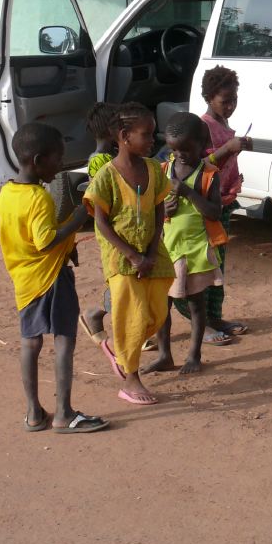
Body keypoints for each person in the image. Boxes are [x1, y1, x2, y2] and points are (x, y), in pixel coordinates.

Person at [0, 122, 109, 434]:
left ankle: (34, 412)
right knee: (64, 340)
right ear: (37, 160)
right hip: (52, 279)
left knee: (29, 343)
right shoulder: (38, 198)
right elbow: (45, 240)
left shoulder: (7, 193)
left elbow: (27, 238)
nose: (60, 164)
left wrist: (67, 247)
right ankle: (64, 413)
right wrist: (79, 217)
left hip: (25, 280)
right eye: (57, 158)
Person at [83, 102, 174, 406]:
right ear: (123, 135)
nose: (153, 140)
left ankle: (117, 349)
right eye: (146, 135)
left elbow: (159, 209)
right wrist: (133, 256)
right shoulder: (106, 176)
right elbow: (101, 222)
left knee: (158, 312)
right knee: (132, 317)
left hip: (152, 252)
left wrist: (149, 251)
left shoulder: (152, 169)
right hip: (121, 259)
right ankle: (130, 377)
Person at [146, 112, 228, 375]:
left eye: (186, 149)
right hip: (167, 250)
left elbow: (214, 212)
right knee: (162, 306)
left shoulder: (208, 175)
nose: (180, 155)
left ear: (201, 145)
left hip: (194, 251)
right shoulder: (163, 170)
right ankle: (164, 355)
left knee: (195, 305)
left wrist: (188, 192)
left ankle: (194, 355)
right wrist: (165, 210)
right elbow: (154, 209)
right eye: (174, 149)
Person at [196, 66, 252, 343]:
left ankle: (214, 316)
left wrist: (239, 144)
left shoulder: (225, 125)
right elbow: (197, 165)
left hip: (226, 201)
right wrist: (228, 149)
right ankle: (202, 322)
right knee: (204, 266)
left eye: (234, 100)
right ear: (208, 97)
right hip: (206, 204)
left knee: (219, 265)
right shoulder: (203, 126)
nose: (230, 106)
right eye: (225, 101)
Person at [79, 102, 119, 345]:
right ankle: (96, 314)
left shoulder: (106, 157)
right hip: (112, 229)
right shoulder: (101, 161)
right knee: (120, 279)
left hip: (116, 226)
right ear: (109, 131)